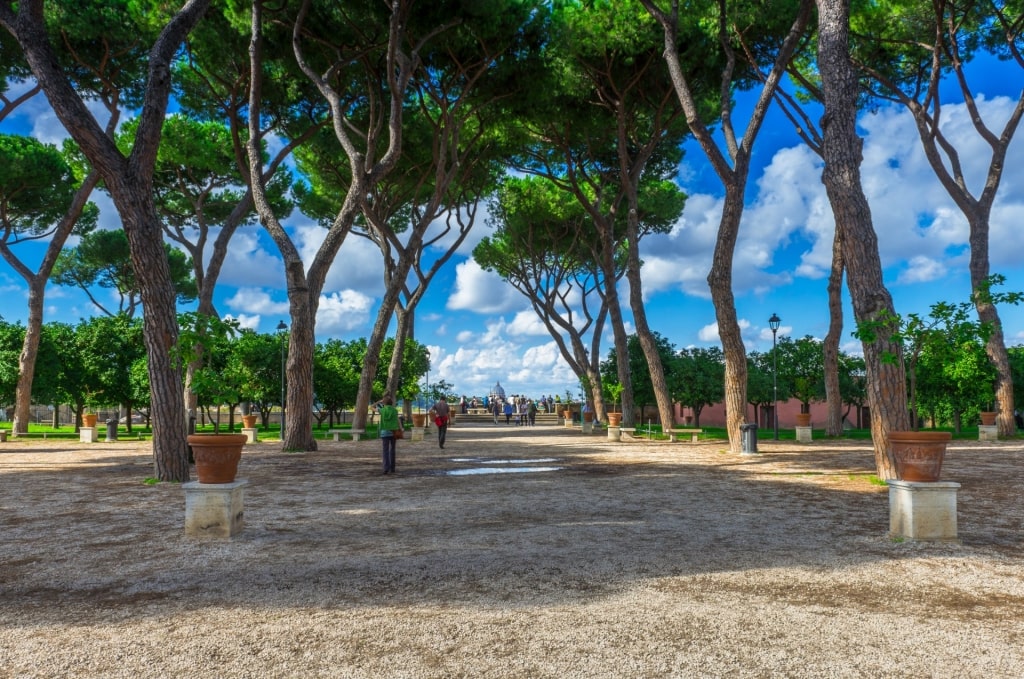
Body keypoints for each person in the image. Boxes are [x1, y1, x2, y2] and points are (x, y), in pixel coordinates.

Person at [376, 396, 400, 475]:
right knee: (392, 450)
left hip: (384, 432)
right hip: (393, 431)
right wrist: (401, 428)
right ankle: (392, 468)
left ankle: (386, 468)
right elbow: (397, 419)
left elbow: (371, 407)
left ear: (384, 403)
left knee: (385, 451)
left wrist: (379, 402)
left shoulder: (382, 410)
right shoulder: (395, 410)